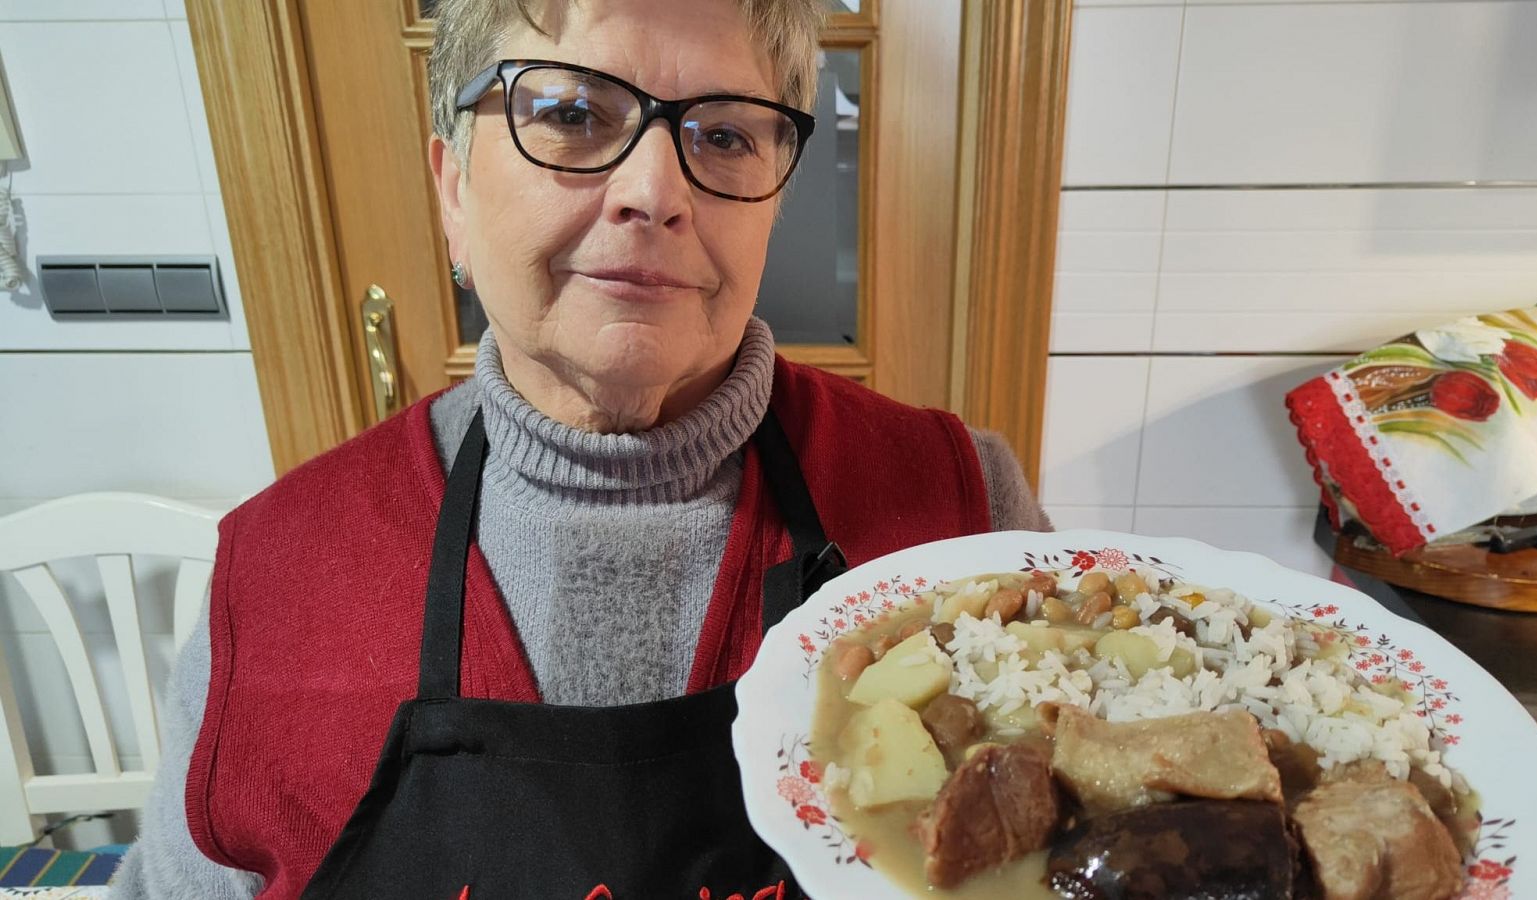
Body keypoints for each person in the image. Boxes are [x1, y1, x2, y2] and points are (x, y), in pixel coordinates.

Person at [110, 0, 1049, 896]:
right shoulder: (277, 574)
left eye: (723, 135)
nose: (653, 193)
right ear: (453, 189)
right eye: (570, 112)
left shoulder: (965, 511)